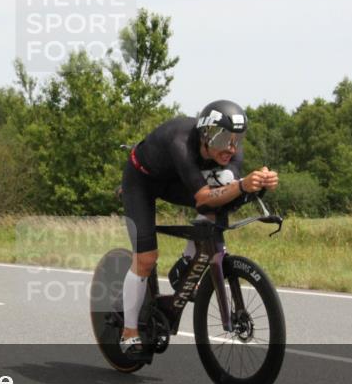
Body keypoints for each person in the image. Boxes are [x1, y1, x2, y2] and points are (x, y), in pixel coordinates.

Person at [118, 99, 279, 354]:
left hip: (177, 181)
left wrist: (257, 186)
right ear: (206, 134)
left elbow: (227, 198)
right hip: (142, 181)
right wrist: (242, 186)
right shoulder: (180, 141)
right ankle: (129, 333)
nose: (231, 147)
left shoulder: (231, 151)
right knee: (146, 259)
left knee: (225, 182)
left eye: (236, 139)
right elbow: (204, 197)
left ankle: (185, 263)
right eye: (223, 138)